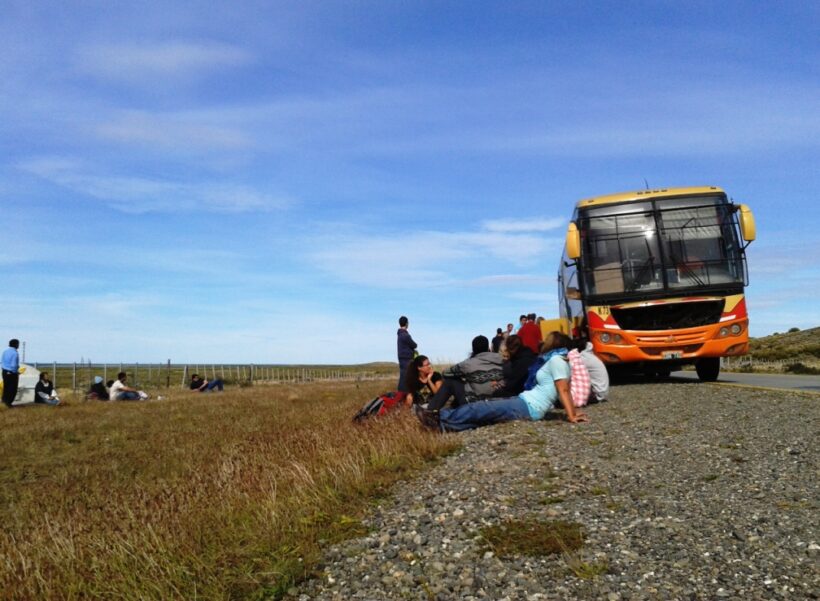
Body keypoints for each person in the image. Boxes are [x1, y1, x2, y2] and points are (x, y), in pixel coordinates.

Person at [414, 331, 588, 432]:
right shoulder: (556, 360)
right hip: (526, 401)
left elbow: (563, 389)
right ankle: (443, 426)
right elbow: (563, 388)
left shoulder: (557, 361)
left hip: (531, 406)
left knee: (482, 408)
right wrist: (572, 411)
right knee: (485, 416)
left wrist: (571, 415)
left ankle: (437, 418)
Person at [442, 335, 504, 401]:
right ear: (488, 348)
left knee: (451, 382)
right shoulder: (503, 359)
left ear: (473, 349)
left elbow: (446, 373)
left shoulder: (467, 364)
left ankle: (432, 409)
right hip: (501, 402)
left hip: (477, 404)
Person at [396, 316, 418, 392]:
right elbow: (414, 345)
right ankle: (405, 395)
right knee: (407, 378)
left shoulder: (400, 334)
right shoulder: (405, 335)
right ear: (406, 323)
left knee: (403, 378)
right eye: (408, 322)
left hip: (402, 359)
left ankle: (400, 395)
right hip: (407, 359)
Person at [2, 339, 20, 408]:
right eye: (18, 344)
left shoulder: (5, 352)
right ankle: (8, 403)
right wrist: (16, 372)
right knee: (12, 389)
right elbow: (14, 365)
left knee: (6, 388)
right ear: (16, 344)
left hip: (4, 371)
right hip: (12, 373)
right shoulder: (15, 353)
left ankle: (4, 402)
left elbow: (2, 361)